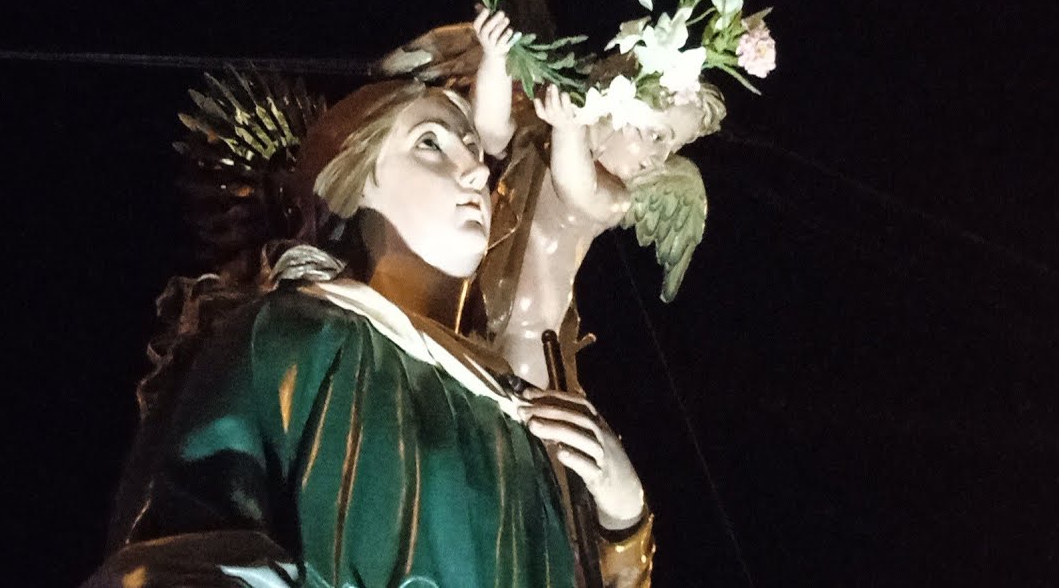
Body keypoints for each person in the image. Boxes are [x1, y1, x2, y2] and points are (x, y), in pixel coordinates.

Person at [86, 80, 653, 587]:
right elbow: (187, 545)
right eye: (432, 143)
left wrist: (622, 515)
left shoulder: (520, 405)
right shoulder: (295, 334)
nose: (478, 171)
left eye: (475, 149)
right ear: (357, 182)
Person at [468, 9, 721, 389]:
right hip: (469, 301)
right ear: (617, 101)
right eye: (655, 134)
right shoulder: (546, 132)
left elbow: (576, 190)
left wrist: (568, 130)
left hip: (529, 337)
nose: (658, 158)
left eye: (670, 147)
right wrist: (495, 57)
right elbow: (490, 132)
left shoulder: (614, 196)